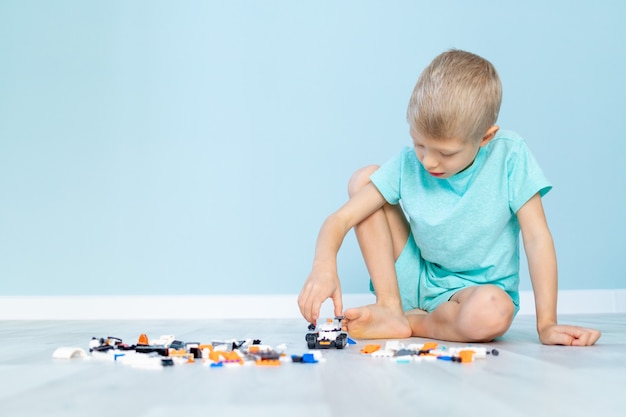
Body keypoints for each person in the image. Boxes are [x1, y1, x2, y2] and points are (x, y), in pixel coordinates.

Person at [298, 49, 601, 346]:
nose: (428, 162)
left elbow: (537, 238)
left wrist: (546, 323)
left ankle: (413, 323)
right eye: (419, 144)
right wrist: (323, 265)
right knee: (363, 179)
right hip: (414, 276)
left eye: (446, 153)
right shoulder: (409, 165)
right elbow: (340, 219)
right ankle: (390, 306)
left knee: (493, 312)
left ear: (485, 137)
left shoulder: (510, 156)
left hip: (474, 295)